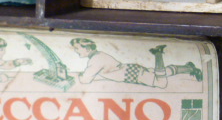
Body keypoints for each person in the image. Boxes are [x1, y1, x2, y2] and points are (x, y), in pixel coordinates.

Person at [70, 38, 202, 88]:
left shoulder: (95, 60)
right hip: (131, 69)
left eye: (77, 48)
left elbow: (85, 80)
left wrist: (78, 77)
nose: (76, 51)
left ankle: (158, 54)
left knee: (160, 83)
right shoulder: (99, 55)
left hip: (130, 74)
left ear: (87, 48)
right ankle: (189, 68)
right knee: (160, 72)